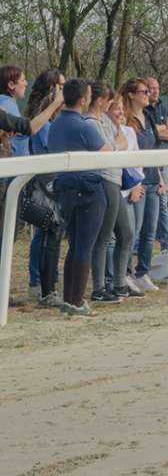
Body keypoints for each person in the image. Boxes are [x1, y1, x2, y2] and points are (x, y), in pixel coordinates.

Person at [47, 79, 110, 317]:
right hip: (88, 189)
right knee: (85, 246)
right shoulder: (84, 126)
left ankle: (69, 298)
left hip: (65, 188)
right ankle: (76, 300)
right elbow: (107, 154)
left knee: (74, 246)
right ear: (83, 100)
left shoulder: (55, 125)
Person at [23, 70, 66, 308]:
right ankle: (42, 285)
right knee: (48, 232)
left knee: (51, 234)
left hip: (50, 185)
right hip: (43, 188)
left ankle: (47, 284)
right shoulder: (46, 126)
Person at [88, 82, 127, 304]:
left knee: (126, 233)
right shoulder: (91, 122)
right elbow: (112, 147)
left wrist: (118, 144)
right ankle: (99, 287)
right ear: (102, 100)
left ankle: (119, 283)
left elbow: (119, 143)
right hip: (105, 180)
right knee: (103, 237)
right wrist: (118, 144)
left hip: (116, 180)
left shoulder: (104, 121)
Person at [122, 78, 163, 293]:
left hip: (152, 178)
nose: (148, 94)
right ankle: (126, 272)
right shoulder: (127, 122)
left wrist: (160, 177)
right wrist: (135, 183)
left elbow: (153, 148)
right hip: (136, 181)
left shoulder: (148, 117)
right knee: (133, 231)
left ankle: (142, 272)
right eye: (143, 91)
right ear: (131, 95)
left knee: (150, 231)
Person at [105, 93, 143, 299]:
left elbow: (136, 158)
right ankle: (109, 280)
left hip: (129, 188)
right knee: (110, 238)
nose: (119, 112)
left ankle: (122, 278)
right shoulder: (102, 130)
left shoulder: (129, 131)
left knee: (129, 235)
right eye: (114, 108)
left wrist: (137, 184)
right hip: (111, 187)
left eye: (121, 108)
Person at [146, 77, 168, 253]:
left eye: (157, 87)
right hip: (148, 161)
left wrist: (156, 130)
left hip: (164, 160)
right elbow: (144, 131)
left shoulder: (166, 109)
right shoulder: (142, 110)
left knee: (163, 202)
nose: (155, 91)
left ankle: (165, 243)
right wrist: (161, 129)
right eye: (151, 88)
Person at [0, 65, 30, 157]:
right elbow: (30, 128)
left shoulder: (6, 102)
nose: (26, 84)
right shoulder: (7, 104)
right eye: (23, 80)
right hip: (13, 168)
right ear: (11, 85)